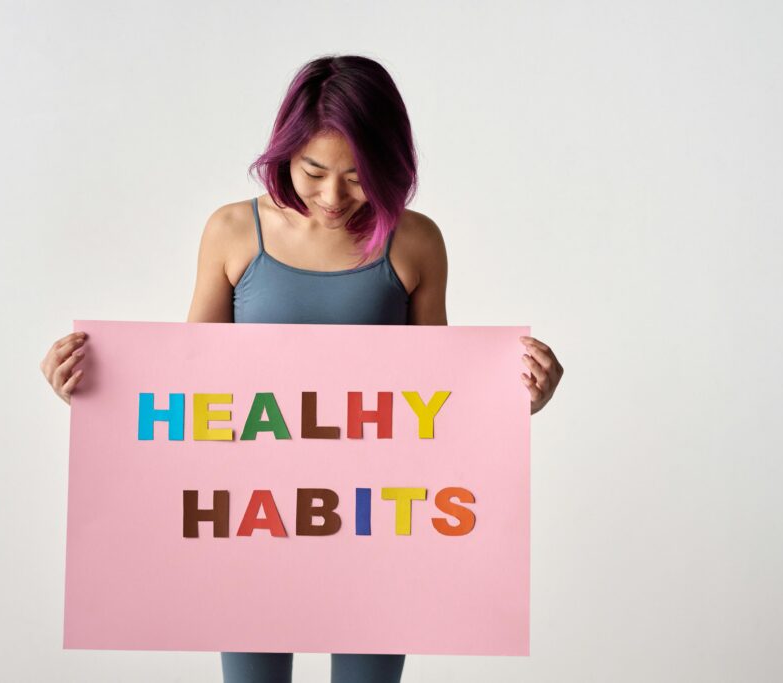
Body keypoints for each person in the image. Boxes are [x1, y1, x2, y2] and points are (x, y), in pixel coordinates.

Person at [40, 54, 563, 683]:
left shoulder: (416, 241)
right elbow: (185, 388)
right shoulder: (234, 231)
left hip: (379, 525)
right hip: (251, 520)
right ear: (285, 152)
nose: (334, 196)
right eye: (314, 171)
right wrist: (99, 395)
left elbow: (438, 406)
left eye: (359, 176)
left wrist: (516, 401)